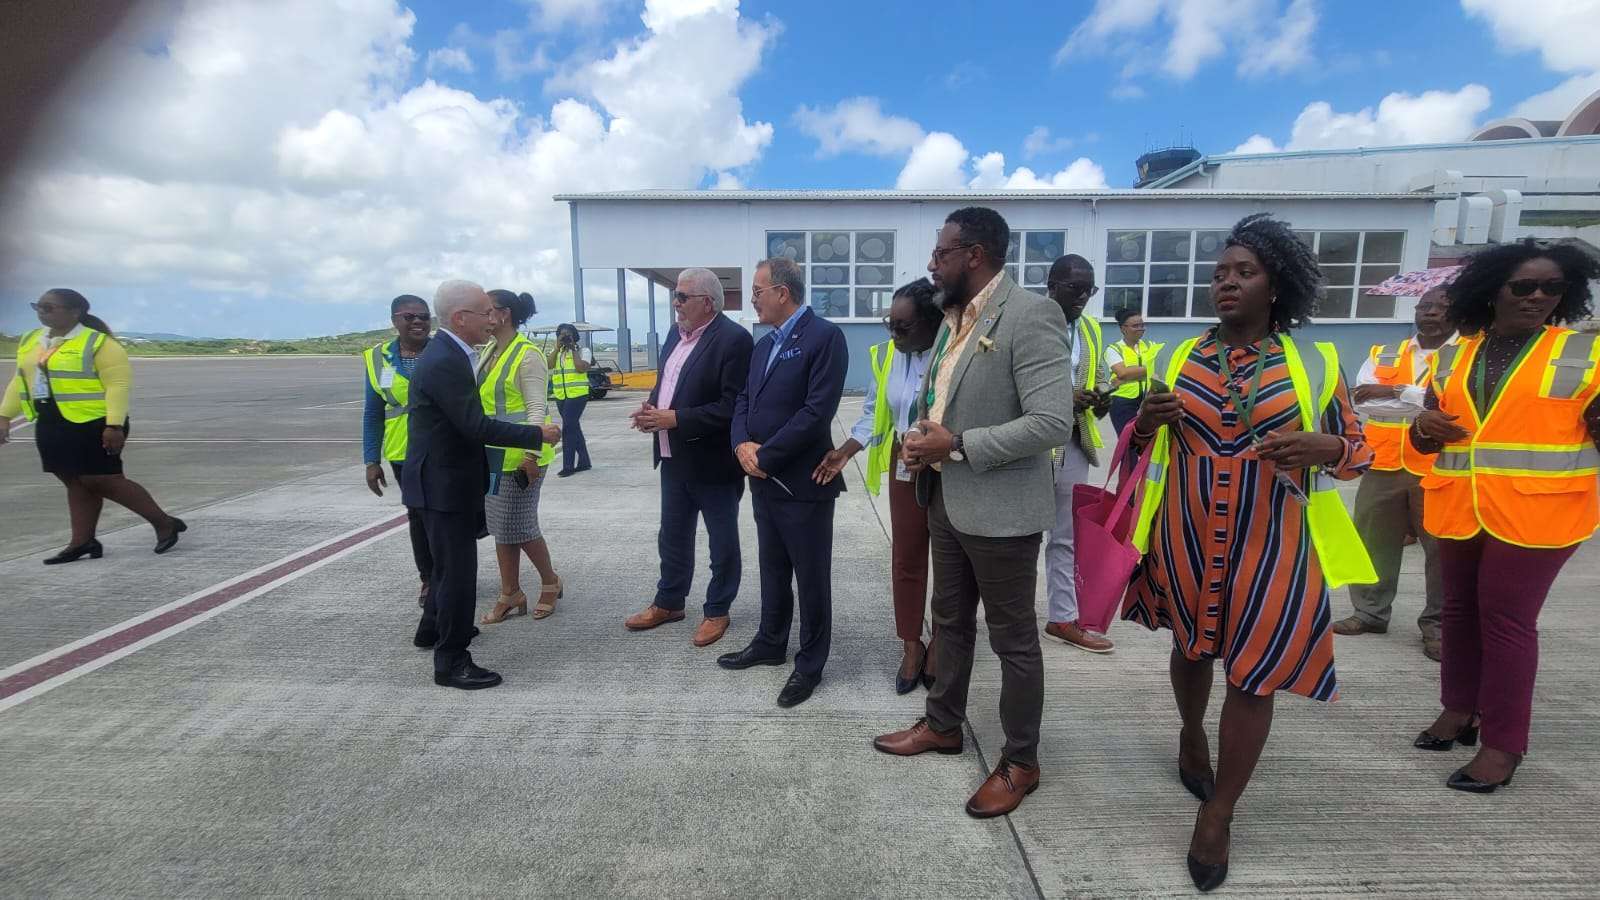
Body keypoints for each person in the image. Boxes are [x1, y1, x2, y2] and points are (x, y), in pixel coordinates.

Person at [1122, 213, 1372, 891]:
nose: (1226, 283)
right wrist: (1143, 423)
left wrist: (1329, 446)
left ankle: (1219, 813)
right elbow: (1140, 447)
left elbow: (1359, 451)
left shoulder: (1316, 363)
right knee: (1192, 646)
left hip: (1274, 537)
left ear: (1276, 284)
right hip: (1187, 529)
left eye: (1244, 272)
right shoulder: (1175, 358)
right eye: (1219, 274)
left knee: (1255, 674)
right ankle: (1191, 733)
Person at [872, 207, 1073, 820]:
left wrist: (956, 443)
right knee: (950, 622)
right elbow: (941, 399)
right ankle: (943, 725)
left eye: (942, 253)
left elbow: (1051, 422)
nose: (933, 264)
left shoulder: (1031, 315)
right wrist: (923, 437)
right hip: (945, 498)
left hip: (1002, 510)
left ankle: (1021, 761)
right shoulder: (952, 319)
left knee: (1013, 641)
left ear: (975, 255)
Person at [1409, 239, 1600, 794]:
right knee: (1459, 610)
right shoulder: (1453, 355)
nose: (1538, 296)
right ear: (1492, 291)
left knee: (1506, 621)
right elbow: (1426, 435)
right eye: (1523, 286)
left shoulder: (1584, 354)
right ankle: (1459, 709)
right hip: (1460, 505)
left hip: (1541, 511)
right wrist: (1423, 428)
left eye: (1552, 288)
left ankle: (1504, 743)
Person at [403, 279, 558, 690]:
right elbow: (475, 425)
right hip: (445, 484)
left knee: (444, 567)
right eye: (484, 312)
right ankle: (452, 660)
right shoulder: (447, 360)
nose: (491, 319)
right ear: (460, 318)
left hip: (440, 480)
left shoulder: (451, 353)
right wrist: (536, 435)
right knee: (457, 573)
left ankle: (432, 629)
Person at [720, 256, 848, 708]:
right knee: (772, 568)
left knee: (810, 578)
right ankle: (770, 642)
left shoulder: (824, 337)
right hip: (762, 479)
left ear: (782, 292)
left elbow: (816, 412)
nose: (752, 300)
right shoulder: (764, 345)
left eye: (757, 291)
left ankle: (809, 665)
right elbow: (743, 400)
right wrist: (741, 446)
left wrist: (766, 456)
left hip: (801, 483)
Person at [814, 277, 942, 694]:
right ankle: (911, 644)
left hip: (950, 465)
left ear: (932, 322)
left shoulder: (951, 352)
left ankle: (942, 643)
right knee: (907, 558)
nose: (894, 335)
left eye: (903, 327)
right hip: (904, 461)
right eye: (891, 324)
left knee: (952, 563)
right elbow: (873, 412)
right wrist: (846, 451)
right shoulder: (888, 354)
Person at [0, 288, 186, 563]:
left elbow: (117, 385)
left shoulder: (99, 343)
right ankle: (82, 541)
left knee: (102, 479)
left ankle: (164, 522)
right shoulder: (31, 339)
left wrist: (114, 425)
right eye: (37, 306)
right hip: (51, 420)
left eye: (49, 307)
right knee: (73, 480)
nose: (41, 312)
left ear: (75, 311)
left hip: (95, 421)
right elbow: (20, 381)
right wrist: (4, 415)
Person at [626, 267, 754, 647]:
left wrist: (676, 418)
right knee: (672, 537)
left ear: (707, 302)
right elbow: (667, 383)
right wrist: (652, 408)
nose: (675, 303)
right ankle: (669, 602)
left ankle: (717, 609)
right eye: (675, 296)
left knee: (722, 543)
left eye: (682, 297)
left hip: (713, 463)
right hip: (672, 457)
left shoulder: (734, 340)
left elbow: (733, 406)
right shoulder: (674, 335)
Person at [1333, 287, 1456, 660]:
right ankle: (1369, 613)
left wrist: (1392, 389)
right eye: (1424, 306)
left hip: (1438, 467)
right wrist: (1418, 397)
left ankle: (1438, 627)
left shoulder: (1466, 355)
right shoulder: (1384, 353)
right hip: (1383, 462)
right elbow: (1364, 400)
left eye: (1441, 307)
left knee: (1442, 551)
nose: (1430, 312)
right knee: (1373, 542)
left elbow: (1450, 403)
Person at [1043, 253, 1115, 654]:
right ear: (1051, 286)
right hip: (1031, 444)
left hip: (1073, 440)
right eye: (1076, 289)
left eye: (1090, 290)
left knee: (1065, 536)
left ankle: (1062, 617)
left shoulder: (1090, 329)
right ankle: (1006, 617)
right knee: (1015, 536)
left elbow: (1100, 374)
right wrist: (1064, 397)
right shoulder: (1029, 321)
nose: (1084, 297)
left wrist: (1101, 397)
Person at [478, 289, 564, 625]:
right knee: (501, 527)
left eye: (487, 310)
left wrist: (531, 454)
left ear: (505, 314)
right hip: (493, 454)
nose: (483, 316)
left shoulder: (527, 355)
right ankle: (510, 592)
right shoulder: (490, 350)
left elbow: (536, 408)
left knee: (521, 526)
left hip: (522, 456)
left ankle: (550, 582)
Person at [362, 294, 434, 607]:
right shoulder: (377, 358)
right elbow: (373, 412)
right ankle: (429, 578)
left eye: (424, 316)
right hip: (403, 453)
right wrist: (371, 460)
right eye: (409, 317)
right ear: (394, 321)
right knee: (418, 516)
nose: (418, 321)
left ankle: (451, 572)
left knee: (448, 515)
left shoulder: (444, 350)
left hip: (443, 449)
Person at [1106, 307, 1162, 437]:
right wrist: (1148, 369)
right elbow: (1122, 373)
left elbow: (1160, 369)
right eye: (1135, 326)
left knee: (1146, 440)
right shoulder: (1113, 349)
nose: (1140, 329)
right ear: (1123, 328)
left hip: (1147, 399)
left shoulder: (1150, 346)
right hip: (1122, 401)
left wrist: (1128, 376)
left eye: (1142, 325)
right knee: (1127, 440)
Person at [548, 322, 594, 477]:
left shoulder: (583, 351)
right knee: (573, 427)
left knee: (568, 427)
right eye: (562, 334)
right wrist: (557, 348)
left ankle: (568, 466)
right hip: (561, 395)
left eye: (568, 334)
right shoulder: (557, 352)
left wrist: (573, 348)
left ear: (575, 336)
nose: (566, 337)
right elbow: (548, 365)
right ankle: (584, 461)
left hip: (578, 395)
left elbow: (581, 368)